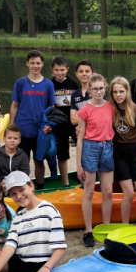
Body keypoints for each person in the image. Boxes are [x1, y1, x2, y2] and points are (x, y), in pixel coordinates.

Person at [76, 74, 116, 247]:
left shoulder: (111, 107)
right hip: (90, 148)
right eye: (95, 89)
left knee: (107, 191)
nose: (98, 91)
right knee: (89, 192)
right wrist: (78, 164)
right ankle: (88, 230)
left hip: (107, 147)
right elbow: (80, 138)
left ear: (105, 88)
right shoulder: (84, 110)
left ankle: (106, 227)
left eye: (101, 88)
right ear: (89, 90)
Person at [10, 50, 56, 188]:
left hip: (41, 130)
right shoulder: (20, 83)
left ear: (42, 64)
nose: (35, 65)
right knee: (21, 161)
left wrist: (50, 126)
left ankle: (40, 187)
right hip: (22, 128)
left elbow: (51, 108)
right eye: (32, 63)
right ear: (27, 63)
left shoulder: (48, 84)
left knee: (39, 160)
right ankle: (20, 187)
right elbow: (14, 106)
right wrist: (12, 127)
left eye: (38, 63)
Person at [110, 76, 136, 224]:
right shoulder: (110, 111)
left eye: (121, 91)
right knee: (129, 193)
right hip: (119, 152)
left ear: (127, 92)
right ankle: (125, 224)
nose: (118, 95)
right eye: (115, 92)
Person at [50, 56, 80, 187]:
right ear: (52, 70)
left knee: (82, 149)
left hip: (74, 123)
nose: (59, 73)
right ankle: (66, 183)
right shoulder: (50, 84)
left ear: (67, 69)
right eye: (56, 70)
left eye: (62, 70)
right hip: (59, 125)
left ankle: (81, 177)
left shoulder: (73, 84)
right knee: (62, 154)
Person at [69, 59, 94, 125]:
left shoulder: (97, 91)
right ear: (76, 74)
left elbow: (100, 116)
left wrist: (79, 116)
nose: (84, 74)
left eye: (87, 71)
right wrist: (91, 117)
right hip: (81, 132)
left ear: (92, 73)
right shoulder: (74, 95)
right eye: (81, 71)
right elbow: (73, 120)